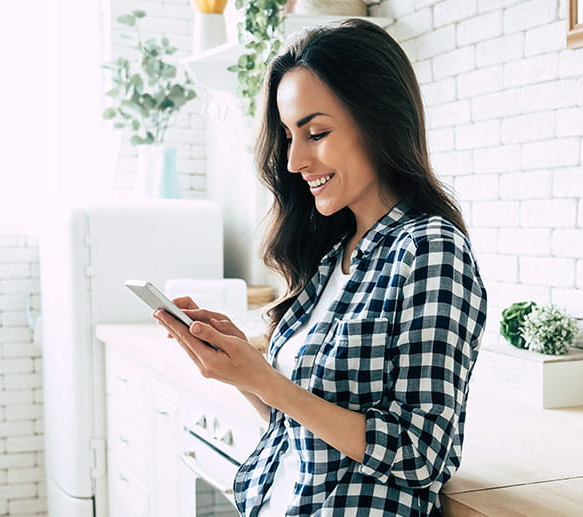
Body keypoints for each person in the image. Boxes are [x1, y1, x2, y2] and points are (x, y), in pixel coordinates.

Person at [154, 18, 487, 516]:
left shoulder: (430, 251)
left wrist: (266, 379)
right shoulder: (335, 255)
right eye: (289, 136)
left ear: (379, 121)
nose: (294, 161)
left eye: (315, 133)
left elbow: (423, 454)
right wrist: (242, 367)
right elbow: (301, 427)